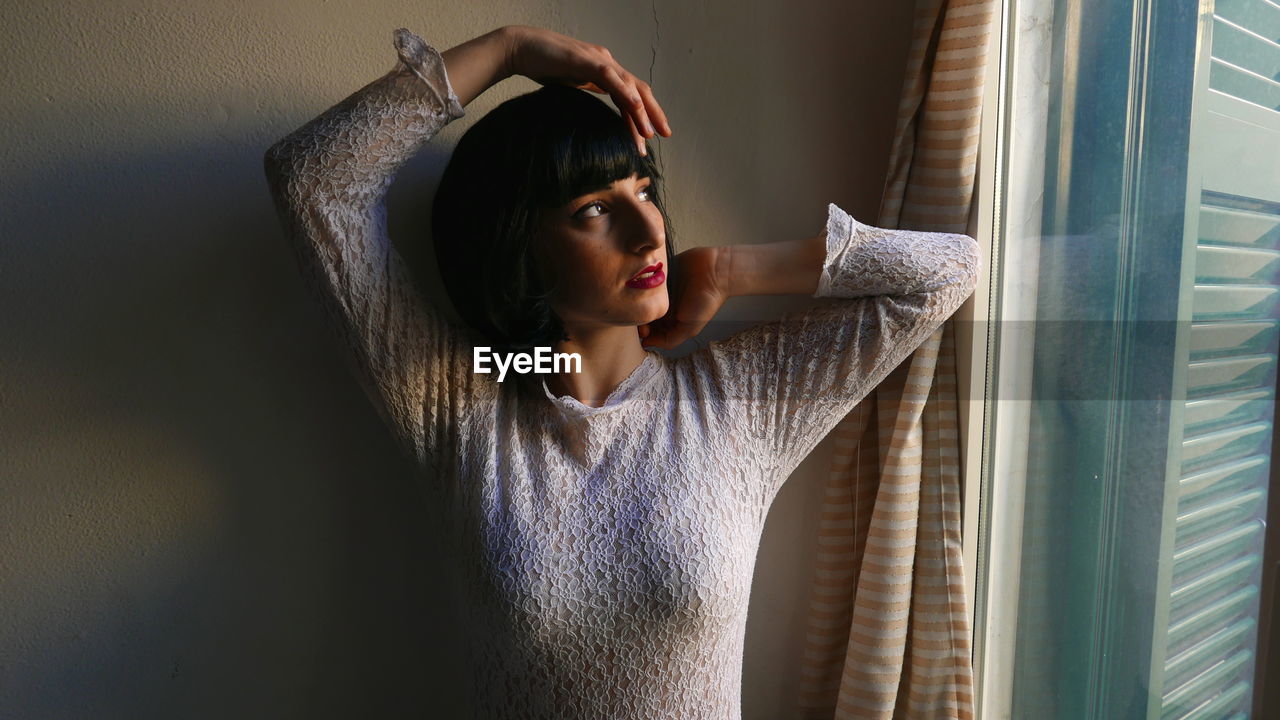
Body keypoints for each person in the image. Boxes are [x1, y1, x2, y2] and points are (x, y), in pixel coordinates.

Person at [263, 24, 980, 719]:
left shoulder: (737, 404)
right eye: (595, 210)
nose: (650, 232)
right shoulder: (458, 402)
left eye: (644, 191)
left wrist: (730, 268)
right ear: (520, 247)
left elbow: (952, 269)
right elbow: (313, 180)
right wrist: (511, 49)